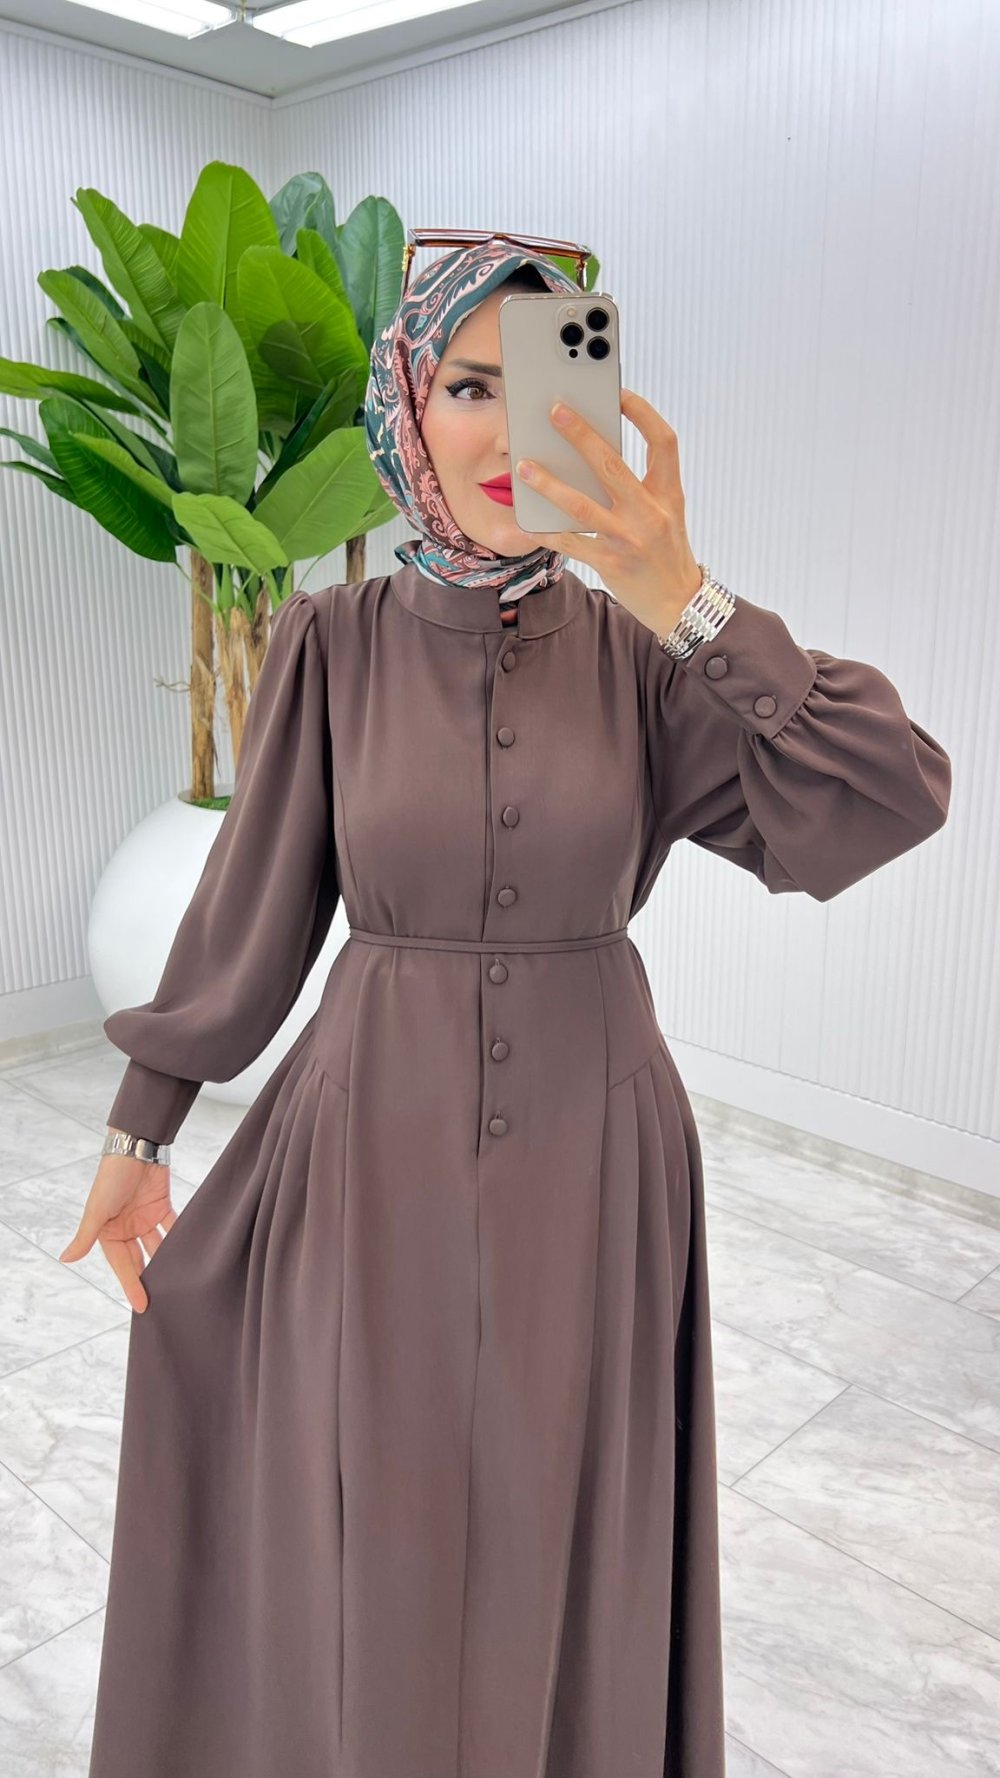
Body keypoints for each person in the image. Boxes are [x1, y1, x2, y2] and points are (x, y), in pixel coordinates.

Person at [67, 234, 952, 1778]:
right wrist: (144, 1128)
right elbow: (250, 916)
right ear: (406, 404)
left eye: (543, 382)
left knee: (562, 1513)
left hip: (593, 1164)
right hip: (369, 1150)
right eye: (467, 384)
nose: (503, 428)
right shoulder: (330, 645)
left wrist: (690, 599)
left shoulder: (649, 664)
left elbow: (892, 796)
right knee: (377, 1516)